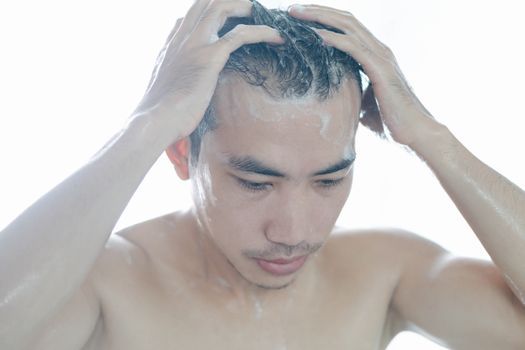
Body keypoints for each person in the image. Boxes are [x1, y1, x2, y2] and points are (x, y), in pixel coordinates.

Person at [1, 1, 524, 349]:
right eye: (255, 183)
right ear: (182, 153)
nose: (294, 232)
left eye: (328, 180)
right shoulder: (100, 282)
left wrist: (434, 140)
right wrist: (146, 126)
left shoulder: (384, 271)